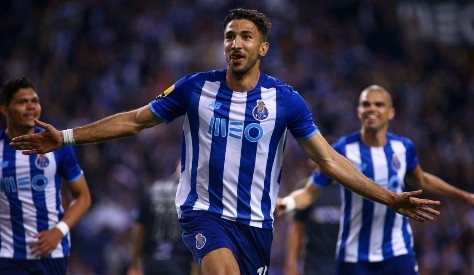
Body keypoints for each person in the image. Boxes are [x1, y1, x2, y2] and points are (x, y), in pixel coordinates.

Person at [10, 9, 441, 275]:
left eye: (245, 37)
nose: (235, 43)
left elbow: (328, 160)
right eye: (229, 37)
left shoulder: (285, 100)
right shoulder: (194, 88)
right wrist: (65, 136)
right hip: (203, 215)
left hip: (256, 226)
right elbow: (133, 122)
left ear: (263, 48)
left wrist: (389, 197)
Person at [277, 85, 474, 275]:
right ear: (359, 111)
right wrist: (287, 203)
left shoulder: (404, 148)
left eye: (379, 104)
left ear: (391, 112)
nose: (371, 109)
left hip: (397, 252)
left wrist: (465, 196)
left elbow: (422, 179)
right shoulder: (342, 149)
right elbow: (309, 192)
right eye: (366, 104)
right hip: (354, 256)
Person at [0, 76, 91, 275]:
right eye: (23, 102)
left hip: (52, 255)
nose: (31, 107)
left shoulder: (57, 145)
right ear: (5, 109)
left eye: (35, 101)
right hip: (8, 256)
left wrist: (59, 231)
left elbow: (83, 197)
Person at [127, 160, 195, 275]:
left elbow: (138, 231)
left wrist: (134, 265)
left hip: (152, 262)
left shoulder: (151, 189)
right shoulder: (192, 195)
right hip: (180, 262)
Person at [283, 159, 341, 275]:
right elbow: (295, 229)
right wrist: (291, 264)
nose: (310, 162)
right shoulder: (305, 188)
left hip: (345, 264)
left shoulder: (349, 190)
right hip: (314, 265)